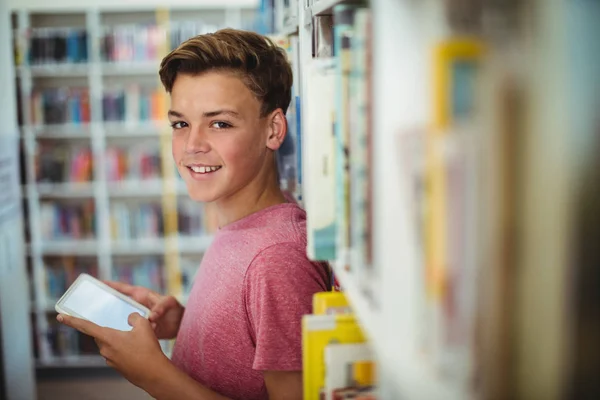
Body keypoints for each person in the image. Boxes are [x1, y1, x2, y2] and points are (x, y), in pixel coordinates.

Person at [57, 29, 331, 400]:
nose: (193, 145)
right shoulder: (243, 226)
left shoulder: (277, 258)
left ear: (274, 129)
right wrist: (186, 324)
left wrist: (154, 375)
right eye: (180, 124)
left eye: (220, 123)